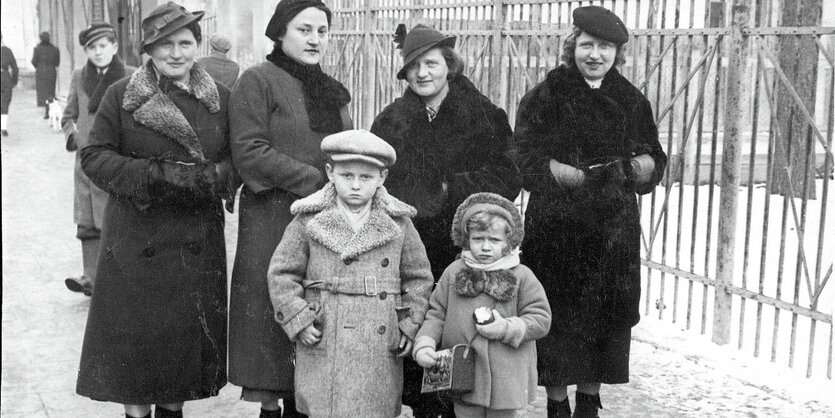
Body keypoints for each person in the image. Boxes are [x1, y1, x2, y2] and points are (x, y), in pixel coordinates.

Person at [75, 3, 237, 417]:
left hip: (193, 240)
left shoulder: (220, 99)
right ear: (149, 49)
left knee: (176, 365)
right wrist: (154, 174)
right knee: (136, 360)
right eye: (165, 45)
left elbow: (240, 160)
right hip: (135, 240)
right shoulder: (122, 94)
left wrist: (213, 177)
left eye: (185, 43)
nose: (177, 53)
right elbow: (93, 156)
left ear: (197, 46)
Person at [514, 6, 668, 417]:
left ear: (617, 53)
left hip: (612, 231)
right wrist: (570, 177)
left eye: (604, 47)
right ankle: (557, 404)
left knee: (604, 320)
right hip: (556, 227)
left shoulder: (631, 100)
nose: (594, 55)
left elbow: (654, 154)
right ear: (572, 48)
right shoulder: (546, 95)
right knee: (559, 319)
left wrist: (634, 168)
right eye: (586, 45)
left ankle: (589, 404)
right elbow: (524, 156)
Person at [370, 24, 521, 418]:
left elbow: (509, 173)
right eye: (414, 66)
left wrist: (450, 190)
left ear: (448, 65)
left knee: (463, 341)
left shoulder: (483, 115)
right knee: (417, 340)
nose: (423, 73)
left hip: (466, 250)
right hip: (410, 249)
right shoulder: (391, 122)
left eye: (431, 63)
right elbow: (375, 181)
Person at [228, 0, 351, 416]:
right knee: (273, 322)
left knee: (316, 318)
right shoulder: (258, 80)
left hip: (326, 223)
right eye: (304, 30)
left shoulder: (330, 89)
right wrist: (316, 181)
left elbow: (346, 149)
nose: (315, 39)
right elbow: (249, 151)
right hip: (273, 218)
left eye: (322, 30)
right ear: (280, 33)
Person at [267, 129, 434, 418]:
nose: (355, 185)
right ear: (330, 172)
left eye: (366, 177)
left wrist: (410, 321)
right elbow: (282, 273)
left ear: (382, 177)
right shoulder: (308, 218)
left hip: (379, 340)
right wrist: (298, 318)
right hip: (324, 332)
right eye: (347, 175)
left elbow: (419, 277)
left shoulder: (399, 222)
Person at [413, 192, 552, 418]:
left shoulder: (522, 275)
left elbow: (541, 318)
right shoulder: (453, 272)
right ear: (467, 239)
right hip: (463, 376)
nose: (486, 247)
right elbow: (436, 314)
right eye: (478, 239)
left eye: (495, 240)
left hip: (506, 378)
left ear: (509, 242)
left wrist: (507, 328)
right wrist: (425, 343)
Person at [62, 22, 134, 296]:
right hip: (84, 163)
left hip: (115, 160)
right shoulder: (79, 76)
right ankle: (89, 278)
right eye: (92, 47)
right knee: (87, 222)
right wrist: (75, 137)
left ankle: (116, 277)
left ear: (114, 47)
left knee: (114, 218)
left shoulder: (129, 75)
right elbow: (69, 116)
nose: (98, 52)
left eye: (103, 46)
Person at [31, 31, 60, 116]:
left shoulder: (37, 49)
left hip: (40, 73)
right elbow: (57, 63)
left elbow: (33, 61)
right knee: (50, 92)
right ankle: (49, 109)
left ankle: (46, 110)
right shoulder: (55, 49)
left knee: (43, 92)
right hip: (51, 72)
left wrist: (39, 67)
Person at [0, 34, 18, 136]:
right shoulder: (7, 51)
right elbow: (15, 67)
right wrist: (13, 81)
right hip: (5, 78)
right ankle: (3, 127)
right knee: (5, 101)